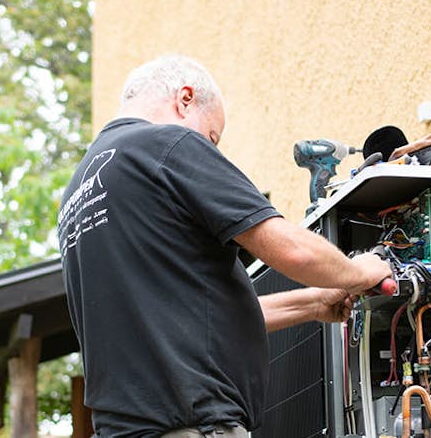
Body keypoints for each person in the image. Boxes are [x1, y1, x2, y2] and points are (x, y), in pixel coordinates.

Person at [58, 55, 392, 438]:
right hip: (194, 426)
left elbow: (190, 320)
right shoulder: (164, 143)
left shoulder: (77, 193)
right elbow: (290, 249)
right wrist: (361, 271)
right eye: (212, 137)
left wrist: (314, 303)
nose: (210, 149)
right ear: (185, 99)